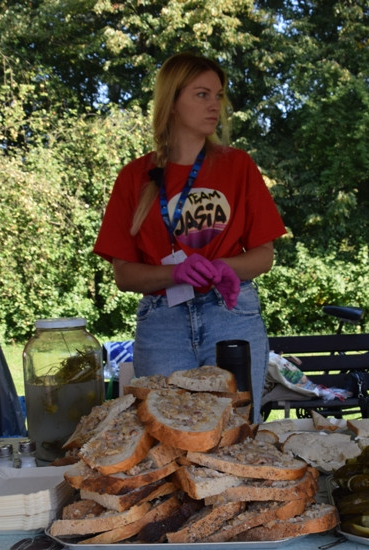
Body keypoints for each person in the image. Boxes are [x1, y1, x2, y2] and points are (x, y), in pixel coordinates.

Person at [94, 52, 287, 421]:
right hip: (163, 319)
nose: (215, 105)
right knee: (171, 432)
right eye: (202, 94)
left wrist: (220, 267)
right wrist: (175, 274)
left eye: (218, 95)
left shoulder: (238, 165)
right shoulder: (134, 176)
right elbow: (124, 275)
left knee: (236, 429)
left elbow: (264, 255)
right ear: (172, 101)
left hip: (230, 312)